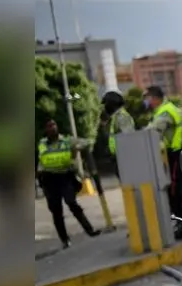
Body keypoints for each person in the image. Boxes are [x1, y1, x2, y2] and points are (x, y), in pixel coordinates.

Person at [36, 119, 100, 248]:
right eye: (49, 126)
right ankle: (65, 240)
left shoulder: (67, 141)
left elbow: (86, 143)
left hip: (65, 177)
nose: (53, 128)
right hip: (49, 180)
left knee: (72, 203)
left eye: (54, 125)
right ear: (46, 130)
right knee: (56, 211)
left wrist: (78, 149)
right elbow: (39, 161)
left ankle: (90, 230)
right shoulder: (42, 144)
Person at [143, 86, 182, 238]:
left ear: (155, 98)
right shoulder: (171, 108)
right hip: (179, 151)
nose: (147, 102)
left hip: (175, 153)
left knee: (176, 190)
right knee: (180, 189)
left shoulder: (165, 112)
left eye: (148, 98)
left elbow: (152, 130)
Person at [101, 90, 136, 181]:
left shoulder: (122, 117)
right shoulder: (115, 117)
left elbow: (128, 137)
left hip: (125, 158)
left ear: (111, 104)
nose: (104, 107)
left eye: (105, 104)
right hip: (118, 157)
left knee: (129, 182)